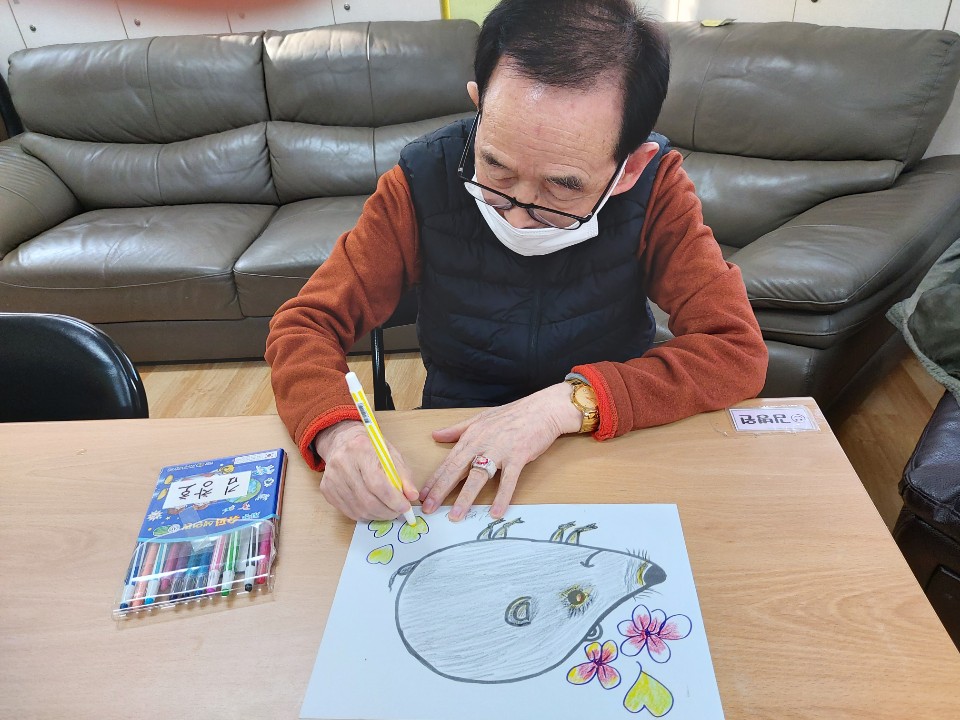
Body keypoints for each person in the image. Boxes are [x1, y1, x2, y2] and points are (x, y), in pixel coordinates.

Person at [266, 0, 768, 523]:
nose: (520, 216)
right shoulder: (422, 181)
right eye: (496, 168)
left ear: (630, 168)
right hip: (457, 438)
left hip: (607, 436)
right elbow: (303, 325)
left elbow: (735, 349)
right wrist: (339, 433)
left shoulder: (657, 191)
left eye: (562, 186)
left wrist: (566, 404)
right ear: (479, 104)